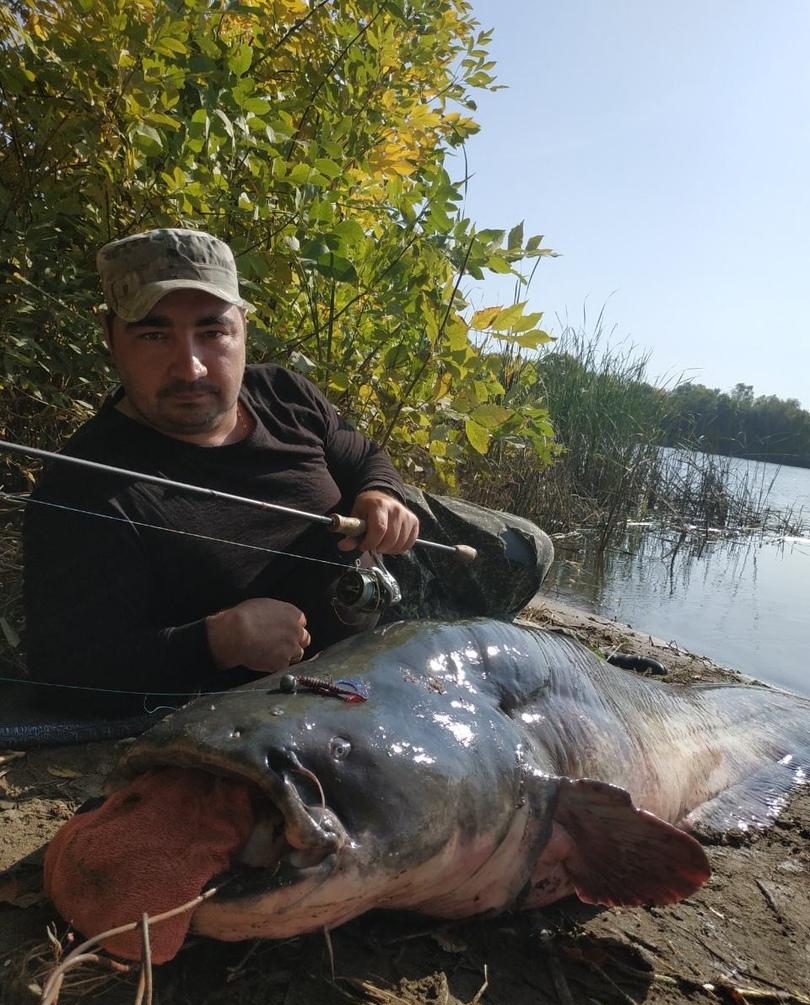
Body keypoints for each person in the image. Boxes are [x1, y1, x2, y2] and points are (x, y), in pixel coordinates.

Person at [23, 228, 555, 721]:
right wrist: (215, 641)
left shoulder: (283, 392)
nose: (191, 367)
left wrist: (381, 493)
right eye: (154, 336)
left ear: (243, 328)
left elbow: (361, 451)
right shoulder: (86, 487)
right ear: (111, 336)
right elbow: (63, 673)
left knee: (527, 551)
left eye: (213, 331)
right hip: (313, 684)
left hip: (389, 580)